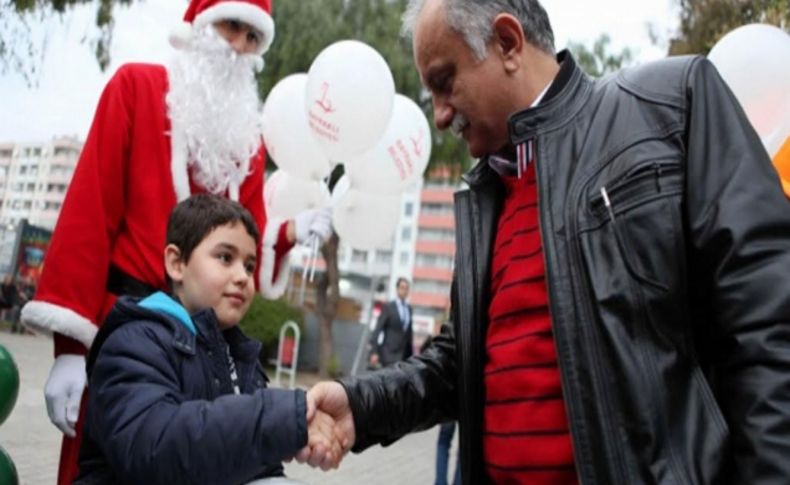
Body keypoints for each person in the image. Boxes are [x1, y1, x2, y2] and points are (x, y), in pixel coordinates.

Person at [303, 0, 790, 483]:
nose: (440, 115)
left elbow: (767, 325)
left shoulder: (671, 107)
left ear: (508, 43)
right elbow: (458, 364)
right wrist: (360, 406)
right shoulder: (485, 200)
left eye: (444, 82)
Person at [20, 1, 332, 483]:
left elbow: (247, 233)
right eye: (232, 27)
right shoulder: (135, 88)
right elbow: (90, 210)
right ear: (200, 26)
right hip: (123, 330)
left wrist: (292, 232)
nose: (239, 47)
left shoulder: (248, 141)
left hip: (207, 347)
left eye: (253, 38)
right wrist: (70, 349)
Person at [74, 194, 340, 484]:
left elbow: (257, 465)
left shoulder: (242, 359)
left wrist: (291, 434)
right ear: (177, 263)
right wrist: (279, 417)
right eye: (225, 257)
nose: (242, 276)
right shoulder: (134, 342)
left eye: (250, 266)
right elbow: (153, 449)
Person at [368, 277, 413, 368]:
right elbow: (378, 329)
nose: (404, 291)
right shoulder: (388, 307)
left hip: (404, 357)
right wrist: (374, 352)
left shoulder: (409, 309)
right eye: (402, 288)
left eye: (407, 288)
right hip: (389, 354)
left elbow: (409, 334)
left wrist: (411, 356)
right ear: (397, 289)